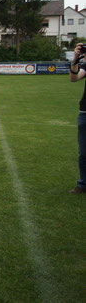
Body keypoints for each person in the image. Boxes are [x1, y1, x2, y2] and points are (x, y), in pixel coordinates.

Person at [68, 43, 86, 194]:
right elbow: (73, 78)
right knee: (84, 152)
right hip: (85, 113)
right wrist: (75, 59)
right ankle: (83, 184)